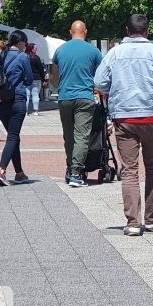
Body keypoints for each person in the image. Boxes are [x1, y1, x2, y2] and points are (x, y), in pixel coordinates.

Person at [94, 14, 153, 236]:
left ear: (127, 30)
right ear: (147, 31)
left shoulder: (114, 53)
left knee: (129, 170)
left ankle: (133, 222)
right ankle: (152, 218)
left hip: (124, 118)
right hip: (151, 116)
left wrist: (116, 90)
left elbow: (100, 82)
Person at [52, 20, 104, 187]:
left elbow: (54, 76)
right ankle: (76, 173)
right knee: (82, 136)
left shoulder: (60, 50)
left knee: (69, 136)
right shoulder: (93, 51)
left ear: (70, 31)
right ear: (85, 31)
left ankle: (69, 167)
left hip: (65, 97)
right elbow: (102, 75)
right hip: (85, 97)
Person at [0, 30, 33, 186]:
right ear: (21, 43)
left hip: (2, 99)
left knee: (13, 135)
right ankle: (1, 171)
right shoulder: (23, 57)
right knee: (13, 136)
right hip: (17, 98)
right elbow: (29, 79)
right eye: (25, 43)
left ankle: (19, 173)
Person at [24, 43, 47, 116]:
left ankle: (25, 112)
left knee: (26, 95)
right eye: (35, 48)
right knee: (35, 95)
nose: (36, 50)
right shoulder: (36, 57)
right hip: (36, 78)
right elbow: (41, 69)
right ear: (31, 49)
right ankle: (36, 111)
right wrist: (44, 79)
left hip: (26, 78)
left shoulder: (24, 57)